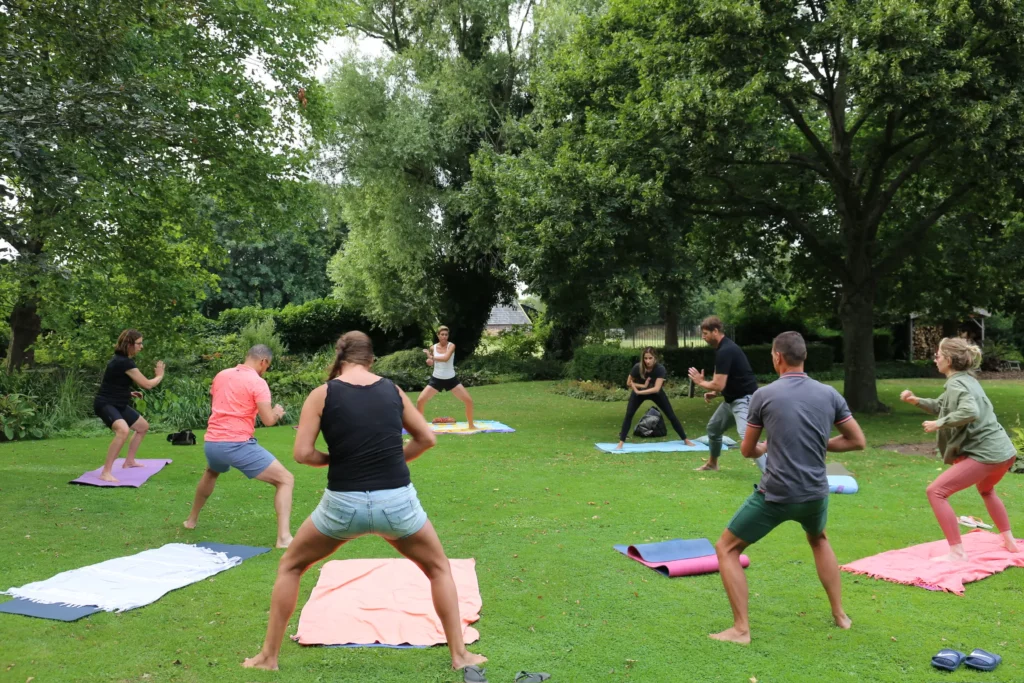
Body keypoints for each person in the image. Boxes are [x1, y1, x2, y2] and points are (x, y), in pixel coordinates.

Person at [243, 331, 487, 673]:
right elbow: (427, 438)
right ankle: (460, 656)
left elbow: (302, 454)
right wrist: (392, 460)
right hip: (397, 504)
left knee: (292, 566)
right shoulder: (392, 390)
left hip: (342, 506)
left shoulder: (321, 394)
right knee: (438, 568)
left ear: (340, 358)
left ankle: (268, 658)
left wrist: (338, 460)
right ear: (371, 359)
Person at [711, 332, 865, 645]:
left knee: (726, 548)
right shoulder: (829, 394)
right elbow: (857, 441)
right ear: (804, 357)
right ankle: (840, 615)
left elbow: (747, 450)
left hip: (777, 495)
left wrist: (768, 446)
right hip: (815, 494)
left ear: (778, 357)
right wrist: (821, 442)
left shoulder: (763, 395)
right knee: (819, 539)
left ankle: (741, 630)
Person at [900, 337, 1018, 562]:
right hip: (1004, 452)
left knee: (936, 492)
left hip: (987, 454)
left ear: (949, 359)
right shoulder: (965, 380)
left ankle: (957, 553)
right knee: (986, 490)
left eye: (938, 355)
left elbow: (969, 411)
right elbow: (942, 406)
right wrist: (916, 401)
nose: (935, 359)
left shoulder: (957, 383)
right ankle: (1010, 542)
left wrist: (940, 423)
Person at [184, 345, 294, 548]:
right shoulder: (257, 382)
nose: (266, 370)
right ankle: (284, 538)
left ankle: (191, 521)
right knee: (286, 480)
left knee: (211, 473)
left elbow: (216, 397)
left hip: (212, 443)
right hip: (236, 444)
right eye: (267, 366)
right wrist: (278, 411)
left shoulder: (221, 375)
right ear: (263, 362)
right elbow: (268, 420)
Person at [688, 316, 764, 473]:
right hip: (732, 400)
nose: (703, 337)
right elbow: (723, 377)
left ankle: (774, 476)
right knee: (713, 429)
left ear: (715, 331)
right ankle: (712, 463)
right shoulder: (722, 349)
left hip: (745, 400)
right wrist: (714, 392)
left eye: (705, 333)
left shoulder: (726, 350)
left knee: (748, 438)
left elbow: (719, 383)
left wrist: (700, 382)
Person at [93, 329, 165, 483]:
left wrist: (128, 393)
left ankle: (129, 461)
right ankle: (105, 472)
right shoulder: (124, 361)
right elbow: (147, 384)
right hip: (105, 403)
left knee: (142, 427)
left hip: (118, 402)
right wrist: (159, 375)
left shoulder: (121, 360)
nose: (141, 346)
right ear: (129, 344)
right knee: (123, 430)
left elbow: (114, 383)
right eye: (139, 343)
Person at [615, 347, 695, 449]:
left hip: (655, 393)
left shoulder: (660, 369)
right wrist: (641, 387)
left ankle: (685, 440)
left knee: (671, 415)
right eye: (645, 358)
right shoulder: (637, 368)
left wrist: (640, 391)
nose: (647, 361)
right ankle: (621, 443)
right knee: (629, 414)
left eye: (650, 358)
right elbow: (628, 382)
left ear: (655, 358)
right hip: (639, 393)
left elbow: (656, 389)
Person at [417, 325, 475, 429]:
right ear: (438, 335)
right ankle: (419, 427)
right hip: (436, 379)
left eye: (446, 334)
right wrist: (429, 361)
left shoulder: (451, 346)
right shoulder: (432, 348)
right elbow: (432, 362)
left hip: (451, 380)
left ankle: (471, 425)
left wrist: (431, 357)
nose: (444, 336)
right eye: (442, 334)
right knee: (420, 401)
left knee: (469, 401)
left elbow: (445, 358)